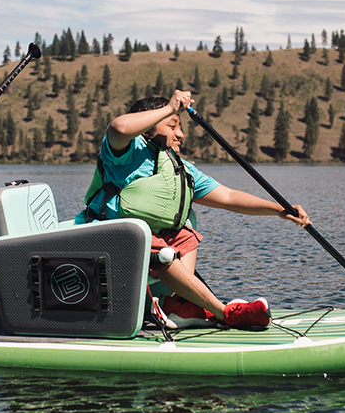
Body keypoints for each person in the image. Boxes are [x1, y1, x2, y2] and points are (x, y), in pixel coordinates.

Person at [78, 90, 311, 330]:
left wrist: (279, 210)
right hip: (107, 241)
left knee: (186, 223)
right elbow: (118, 127)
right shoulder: (125, 153)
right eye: (172, 126)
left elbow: (228, 197)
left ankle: (181, 304)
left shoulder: (181, 168)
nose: (181, 134)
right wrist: (170, 108)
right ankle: (225, 313)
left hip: (146, 248)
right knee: (153, 244)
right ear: (147, 128)